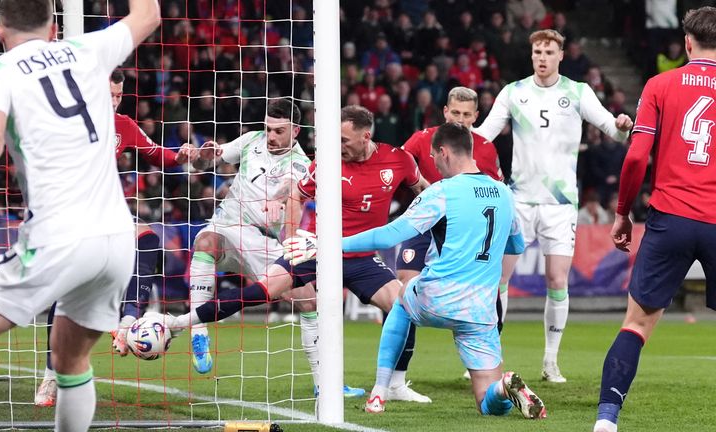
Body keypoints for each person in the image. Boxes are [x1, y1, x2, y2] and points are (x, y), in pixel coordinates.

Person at [0, 0, 159, 431]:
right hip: (118, 240)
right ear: (54, 27)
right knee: (69, 356)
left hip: (58, 236)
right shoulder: (88, 50)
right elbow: (149, 14)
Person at [164, 105, 432, 402]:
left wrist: (431, 221)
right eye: (268, 129)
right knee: (241, 277)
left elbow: (424, 191)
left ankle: (384, 384)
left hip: (354, 255)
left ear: (364, 136)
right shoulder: (312, 158)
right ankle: (184, 326)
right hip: (299, 244)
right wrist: (291, 238)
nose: (337, 145)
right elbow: (294, 193)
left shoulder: (392, 160)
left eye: (343, 139)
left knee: (402, 306)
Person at [284, 122, 545, 419]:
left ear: (444, 153)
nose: (432, 163)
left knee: (402, 299)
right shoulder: (504, 193)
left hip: (438, 296)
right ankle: (503, 387)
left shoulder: (442, 192)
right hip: (481, 310)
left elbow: (389, 235)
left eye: (433, 157)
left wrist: (330, 243)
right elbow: (516, 246)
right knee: (488, 402)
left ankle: (380, 392)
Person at [475, 29, 633, 383]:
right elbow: (483, 136)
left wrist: (624, 125)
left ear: (561, 55)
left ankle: (550, 361)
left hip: (560, 205)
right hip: (519, 201)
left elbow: (613, 128)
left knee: (557, 279)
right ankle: (488, 357)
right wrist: (458, 135)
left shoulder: (577, 92)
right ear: (531, 55)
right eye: (537, 52)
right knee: (499, 278)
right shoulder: (513, 93)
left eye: (548, 51)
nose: (542, 58)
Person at [33, 69, 199, 407]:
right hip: (65, 212)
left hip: (104, 211)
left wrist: (179, 156)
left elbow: (154, 152)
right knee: (64, 294)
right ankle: (51, 377)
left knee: (149, 238)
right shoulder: (67, 121)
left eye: (118, 96)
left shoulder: (121, 125)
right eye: (107, 95)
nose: (112, 102)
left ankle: (127, 321)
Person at [594, 7, 716, 432]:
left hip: (672, 216)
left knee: (637, 324)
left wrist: (623, 212)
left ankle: (607, 421)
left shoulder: (661, 84)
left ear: (687, 42)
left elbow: (636, 158)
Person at [183, 99, 333, 388]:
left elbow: (290, 187)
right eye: (268, 129)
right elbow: (208, 161)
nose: (272, 136)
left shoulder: (302, 163)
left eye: (279, 131)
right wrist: (203, 155)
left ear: (296, 131)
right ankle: (198, 332)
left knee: (308, 300)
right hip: (229, 227)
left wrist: (278, 200)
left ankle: (323, 384)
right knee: (205, 241)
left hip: (266, 243)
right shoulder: (253, 140)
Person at [399, 86, 502, 380]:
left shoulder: (484, 147)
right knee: (404, 289)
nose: (460, 119)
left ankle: (481, 365)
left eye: (467, 115)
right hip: (423, 225)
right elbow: (398, 167)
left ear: (476, 116)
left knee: (487, 293)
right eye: (455, 112)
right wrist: (418, 184)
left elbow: (495, 190)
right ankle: (396, 378)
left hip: (463, 232)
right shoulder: (422, 139)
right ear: (445, 111)